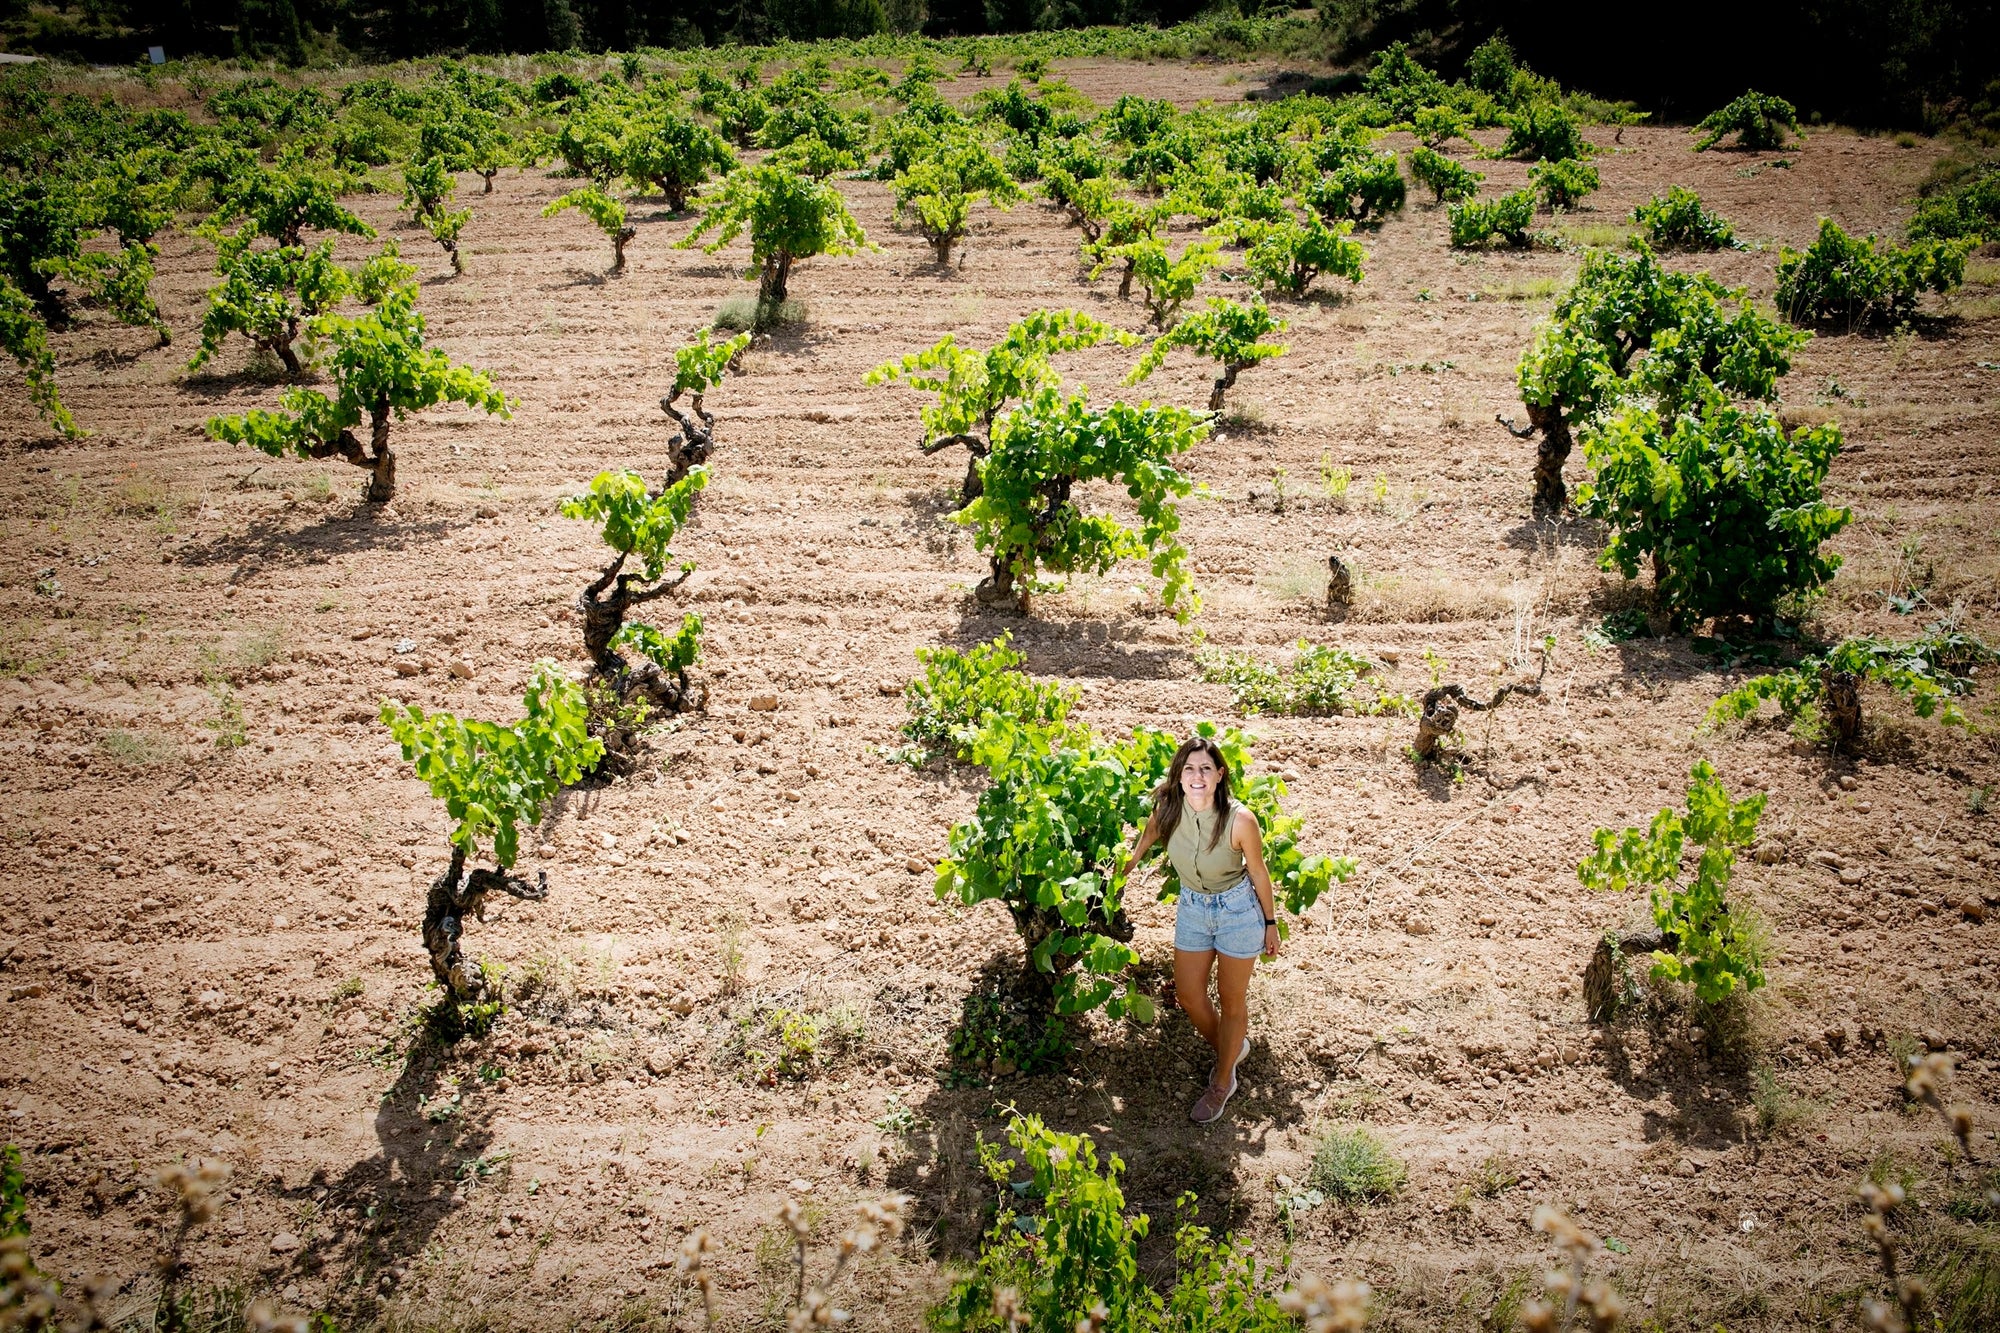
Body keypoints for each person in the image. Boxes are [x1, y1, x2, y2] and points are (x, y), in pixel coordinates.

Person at [1122, 735, 1281, 1124]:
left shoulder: (1240, 819)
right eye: (1189, 768)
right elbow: (1140, 847)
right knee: (1189, 995)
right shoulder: (1167, 811)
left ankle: (1222, 1080)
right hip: (1193, 907)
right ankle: (1232, 1047)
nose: (1197, 775)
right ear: (1179, 775)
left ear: (1219, 775)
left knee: (1232, 1001)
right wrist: (1111, 880)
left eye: (1206, 768)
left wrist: (1271, 923)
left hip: (1237, 910)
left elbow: (1258, 872)